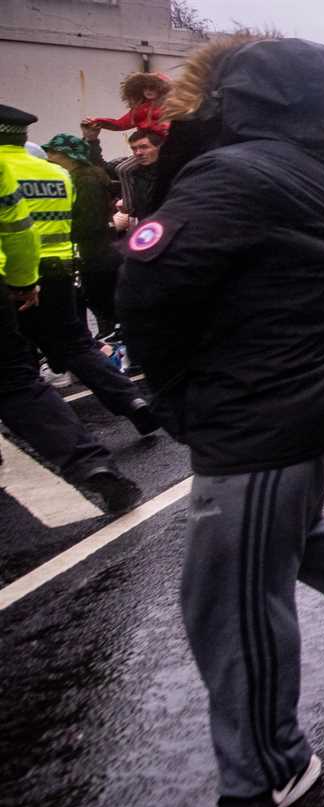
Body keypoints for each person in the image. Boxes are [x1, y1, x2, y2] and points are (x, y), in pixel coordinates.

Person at [116, 36, 324, 807]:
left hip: (252, 412)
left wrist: (175, 394)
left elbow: (148, 286)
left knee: (228, 598)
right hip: (301, 401)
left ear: (247, 101)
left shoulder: (235, 174)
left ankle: (268, 770)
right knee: (277, 536)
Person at [0, 105, 159, 436]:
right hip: (60, 268)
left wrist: (21, 278)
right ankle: (132, 402)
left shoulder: (5, 170)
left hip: (16, 275)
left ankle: (62, 436)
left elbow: (16, 230)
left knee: (18, 361)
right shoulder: (56, 174)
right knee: (76, 345)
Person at [0, 156, 140, 511]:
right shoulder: (52, 172)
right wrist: (22, 280)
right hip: (51, 269)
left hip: (43, 271)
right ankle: (95, 459)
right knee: (21, 379)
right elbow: (17, 230)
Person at [42, 133, 121, 337]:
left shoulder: (85, 180)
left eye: (53, 152)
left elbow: (89, 220)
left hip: (95, 251)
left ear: (68, 155)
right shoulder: (81, 177)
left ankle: (113, 340)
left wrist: (63, 232)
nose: (48, 156)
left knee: (100, 299)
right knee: (98, 299)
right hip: (95, 250)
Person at [85, 71, 171, 136]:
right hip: (146, 148)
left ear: (161, 89)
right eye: (145, 88)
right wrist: (97, 122)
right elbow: (120, 124)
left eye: (152, 87)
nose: (148, 90)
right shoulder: (139, 109)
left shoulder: (172, 106)